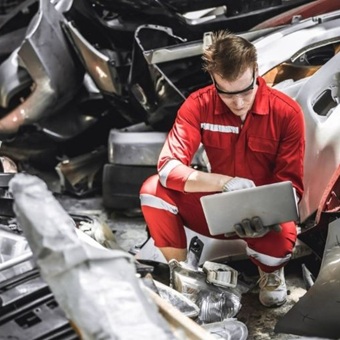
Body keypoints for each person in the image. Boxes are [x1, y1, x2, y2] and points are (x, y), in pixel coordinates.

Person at [139, 30, 305, 308]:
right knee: (153, 190)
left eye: (245, 91)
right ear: (214, 80)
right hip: (215, 209)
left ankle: (271, 274)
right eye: (227, 94)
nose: (238, 103)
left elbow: (293, 188)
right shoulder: (198, 105)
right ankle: (182, 274)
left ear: (256, 71)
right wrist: (224, 183)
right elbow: (168, 168)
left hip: (264, 219)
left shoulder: (286, 113)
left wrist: (268, 216)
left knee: (283, 238)